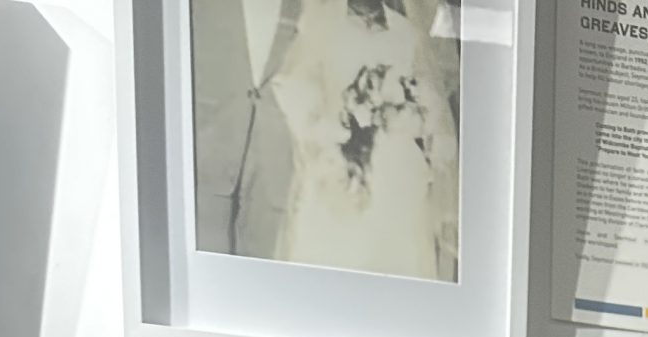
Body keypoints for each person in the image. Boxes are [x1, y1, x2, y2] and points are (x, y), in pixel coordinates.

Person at [191, 0, 458, 281]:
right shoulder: (320, 23)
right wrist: (333, 131)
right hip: (335, 165)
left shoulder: (407, 33)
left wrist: (404, 118)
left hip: (392, 175)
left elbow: (431, 104)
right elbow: (296, 88)